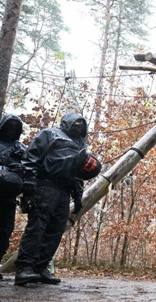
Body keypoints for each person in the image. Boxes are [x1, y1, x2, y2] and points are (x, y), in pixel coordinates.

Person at [14, 113, 89, 286]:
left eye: (81, 123)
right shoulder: (49, 134)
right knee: (37, 227)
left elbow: (78, 173)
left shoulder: (81, 144)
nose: (78, 125)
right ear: (66, 122)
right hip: (45, 186)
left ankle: (40, 268)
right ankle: (24, 268)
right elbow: (31, 156)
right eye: (75, 122)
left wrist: (78, 196)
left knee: (55, 230)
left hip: (65, 191)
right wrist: (30, 182)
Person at [0, 114, 27, 279]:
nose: (11, 129)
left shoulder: (20, 148)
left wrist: (21, 168)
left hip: (9, 197)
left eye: (14, 126)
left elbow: (31, 167)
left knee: (4, 231)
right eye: (8, 125)